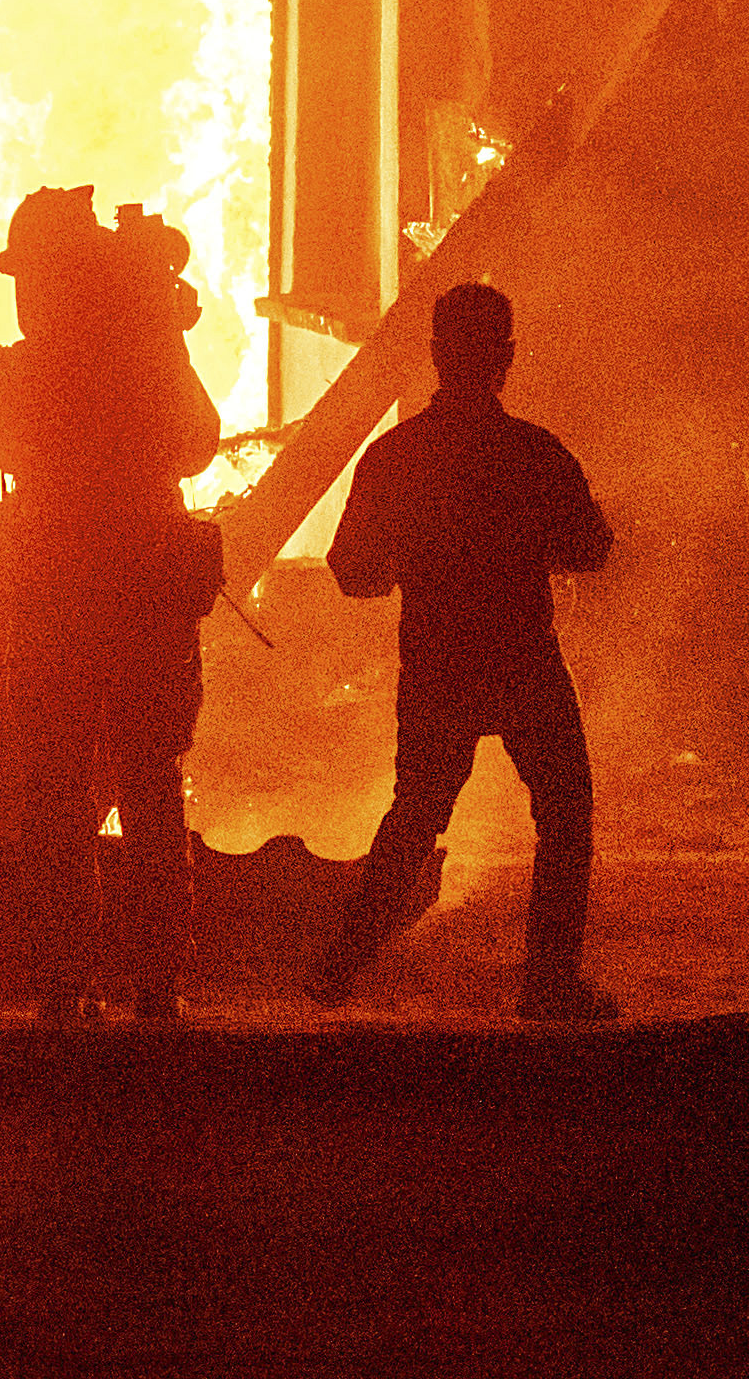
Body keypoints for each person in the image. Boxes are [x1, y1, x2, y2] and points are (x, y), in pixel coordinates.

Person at [307, 282, 617, 1019]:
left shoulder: (395, 457)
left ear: (437, 355)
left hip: (438, 662)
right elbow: (591, 547)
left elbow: (354, 573)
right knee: (566, 811)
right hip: (521, 659)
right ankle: (547, 982)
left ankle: (337, 966)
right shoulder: (533, 453)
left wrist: (414, 557)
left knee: (417, 813)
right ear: (505, 358)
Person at [0, 187, 224, 1023]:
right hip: (143, 585)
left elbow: (11, 439)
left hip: (58, 593)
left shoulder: (27, 369)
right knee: (150, 785)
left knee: (57, 791)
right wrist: (157, 331)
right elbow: (195, 443)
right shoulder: (142, 357)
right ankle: (155, 982)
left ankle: (63, 982)